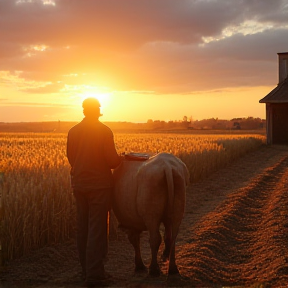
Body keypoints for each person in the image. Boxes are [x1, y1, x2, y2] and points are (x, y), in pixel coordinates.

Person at [67, 97, 122, 287]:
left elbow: (71, 158)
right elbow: (112, 161)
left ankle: (85, 271)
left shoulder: (73, 131)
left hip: (79, 185)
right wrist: (122, 159)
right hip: (99, 186)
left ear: (83, 111)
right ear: (98, 111)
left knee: (83, 228)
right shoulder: (104, 131)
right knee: (97, 229)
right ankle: (95, 275)